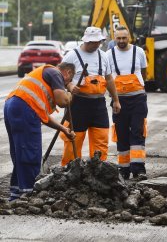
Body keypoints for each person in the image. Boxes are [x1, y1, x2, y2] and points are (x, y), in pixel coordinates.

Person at [4, 62, 76, 201]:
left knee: (20, 151)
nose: (66, 83)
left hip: (14, 106)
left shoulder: (43, 77)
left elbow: (44, 116)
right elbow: (62, 101)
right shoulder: (55, 73)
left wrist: (63, 129)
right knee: (31, 151)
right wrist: (70, 94)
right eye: (69, 80)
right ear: (67, 72)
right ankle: (29, 193)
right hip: (23, 107)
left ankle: (17, 192)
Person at [60, 26, 121, 166]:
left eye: (98, 42)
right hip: (77, 105)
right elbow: (60, 78)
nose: (96, 45)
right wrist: (69, 86)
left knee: (101, 139)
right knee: (73, 140)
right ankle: (70, 171)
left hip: (98, 105)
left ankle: (99, 171)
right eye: (93, 42)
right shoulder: (72, 55)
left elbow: (109, 79)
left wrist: (116, 100)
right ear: (86, 41)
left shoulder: (103, 55)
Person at [106, 25, 148, 181]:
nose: (121, 41)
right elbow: (107, 77)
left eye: (124, 38)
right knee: (121, 133)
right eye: (118, 38)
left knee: (138, 132)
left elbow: (143, 72)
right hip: (119, 100)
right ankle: (124, 170)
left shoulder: (139, 52)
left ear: (129, 37)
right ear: (114, 38)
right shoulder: (108, 55)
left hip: (138, 99)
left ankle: (139, 169)